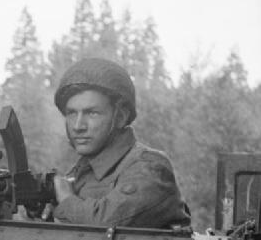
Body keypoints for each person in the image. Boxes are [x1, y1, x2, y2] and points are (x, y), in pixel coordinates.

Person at [49, 57, 190, 228]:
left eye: (92, 113)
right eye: (71, 113)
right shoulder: (81, 173)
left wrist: (64, 199)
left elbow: (107, 223)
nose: (78, 126)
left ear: (121, 117)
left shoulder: (150, 168)